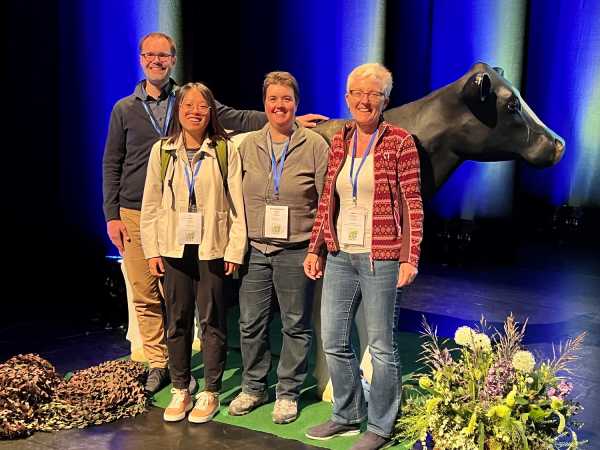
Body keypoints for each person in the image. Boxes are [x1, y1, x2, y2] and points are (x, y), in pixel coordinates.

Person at [102, 32, 327, 395]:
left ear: (173, 59)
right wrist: (111, 213)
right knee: (145, 294)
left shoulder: (190, 97)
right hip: (136, 209)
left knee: (203, 307)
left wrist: (290, 118)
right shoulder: (125, 109)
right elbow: (111, 162)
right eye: (150, 55)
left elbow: (240, 116)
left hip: (198, 219)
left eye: (164, 55)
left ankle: (208, 382)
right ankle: (160, 364)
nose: (156, 61)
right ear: (141, 59)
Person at [303, 63, 423, 450]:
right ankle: (347, 413)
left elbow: (412, 204)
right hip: (340, 254)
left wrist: (410, 256)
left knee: (381, 346)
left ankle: (381, 425)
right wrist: (316, 246)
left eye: (372, 93)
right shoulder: (340, 140)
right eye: (357, 92)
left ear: (385, 100)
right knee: (333, 338)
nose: (364, 100)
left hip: (382, 256)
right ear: (347, 98)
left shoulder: (401, 141)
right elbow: (327, 199)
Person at [227, 72, 329, 424]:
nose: (279, 105)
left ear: (296, 104)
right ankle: (253, 387)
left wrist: (317, 248)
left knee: (295, 324)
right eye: (273, 99)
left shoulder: (315, 145)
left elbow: (326, 201)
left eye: (286, 99)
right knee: (249, 322)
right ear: (264, 103)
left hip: (296, 249)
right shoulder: (247, 144)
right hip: (255, 249)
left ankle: (287, 393)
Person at [140, 82, 245, 423]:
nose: (195, 111)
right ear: (178, 110)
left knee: (212, 318)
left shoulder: (225, 149)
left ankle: (210, 391)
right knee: (178, 319)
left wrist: (234, 249)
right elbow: (150, 205)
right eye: (188, 105)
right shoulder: (162, 151)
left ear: (211, 111)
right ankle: (181, 386)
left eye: (203, 105)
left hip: (212, 247)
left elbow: (237, 207)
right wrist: (152, 249)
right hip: (174, 247)